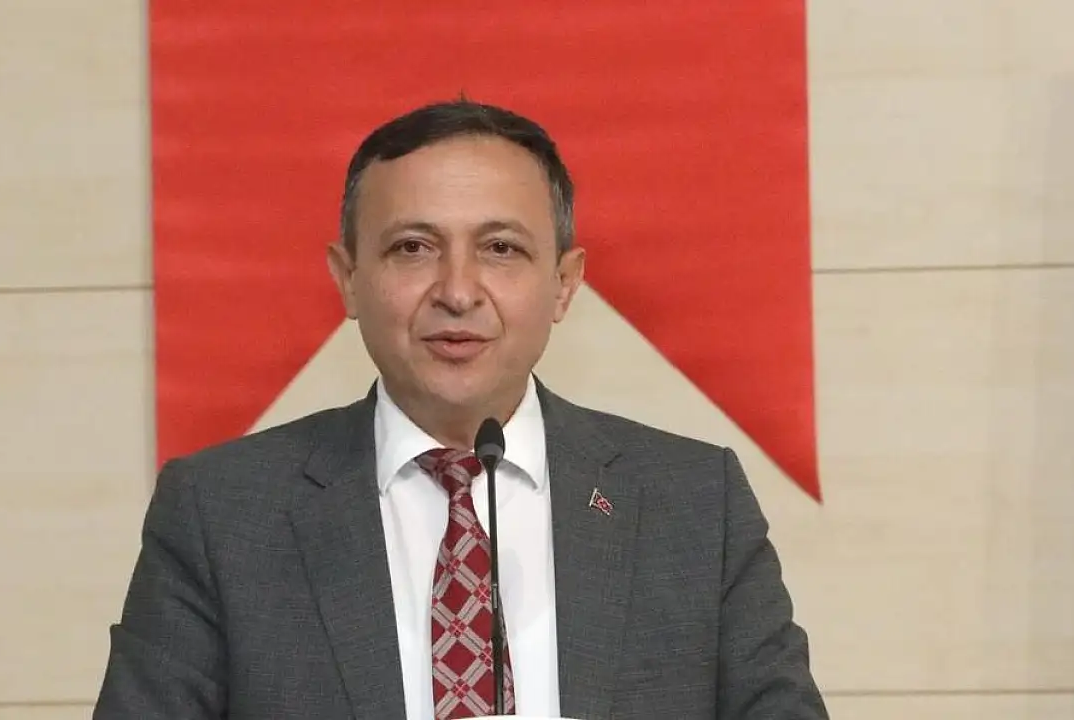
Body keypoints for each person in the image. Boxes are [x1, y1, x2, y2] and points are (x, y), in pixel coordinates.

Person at [92, 99, 829, 720]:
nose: (456, 290)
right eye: (413, 248)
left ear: (564, 283)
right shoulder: (221, 514)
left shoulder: (693, 503)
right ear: (348, 279)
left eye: (500, 249)